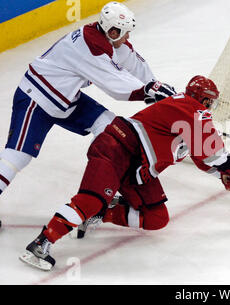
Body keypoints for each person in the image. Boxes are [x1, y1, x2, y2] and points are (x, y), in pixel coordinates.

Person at [19, 75, 230, 271]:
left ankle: (100, 214)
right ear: (205, 100)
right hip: (116, 149)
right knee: (90, 199)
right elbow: (214, 151)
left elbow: (206, 160)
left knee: (157, 218)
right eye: (210, 102)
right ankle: (41, 243)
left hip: (137, 168)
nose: (210, 108)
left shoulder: (188, 120)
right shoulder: (190, 108)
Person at [0, 2, 176, 227]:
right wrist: (146, 91)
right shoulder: (88, 46)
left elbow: (134, 63)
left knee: (111, 128)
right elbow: (115, 84)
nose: (128, 36)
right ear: (113, 31)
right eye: (125, 31)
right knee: (17, 157)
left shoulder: (108, 39)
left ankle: (105, 190)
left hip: (67, 99)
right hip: (37, 98)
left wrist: (156, 87)